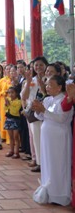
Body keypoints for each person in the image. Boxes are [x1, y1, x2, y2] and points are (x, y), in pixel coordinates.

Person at [31, 75, 73, 206]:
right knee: (47, 162)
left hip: (59, 137)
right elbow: (41, 116)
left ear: (60, 87)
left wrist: (43, 110)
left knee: (58, 164)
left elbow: (61, 119)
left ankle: (59, 195)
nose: (47, 87)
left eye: (50, 85)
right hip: (47, 136)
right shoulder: (49, 99)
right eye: (47, 85)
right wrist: (37, 110)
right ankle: (48, 190)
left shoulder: (65, 100)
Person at [21, 56, 48, 172]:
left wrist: (43, 84)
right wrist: (28, 82)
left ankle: (47, 162)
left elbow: (48, 94)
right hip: (35, 113)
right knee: (36, 138)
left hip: (48, 112)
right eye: (36, 65)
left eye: (41, 65)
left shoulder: (50, 79)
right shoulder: (31, 80)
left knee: (47, 139)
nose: (38, 67)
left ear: (46, 65)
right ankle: (40, 163)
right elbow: (24, 96)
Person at [4, 86, 22, 158]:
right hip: (8, 119)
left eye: (12, 93)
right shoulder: (8, 99)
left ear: (16, 93)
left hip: (15, 120)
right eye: (9, 93)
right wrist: (6, 105)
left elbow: (15, 112)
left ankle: (16, 152)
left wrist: (9, 105)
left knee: (16, 136)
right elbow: (5, 109)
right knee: (10, 136)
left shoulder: (18, 101)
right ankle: (11, 150)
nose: (10, 94)